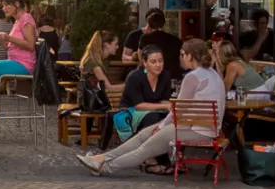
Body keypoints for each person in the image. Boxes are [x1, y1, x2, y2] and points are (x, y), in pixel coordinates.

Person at [80, 40, 225, 176]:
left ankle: (104, 167)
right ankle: (101, 158)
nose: (180, 58)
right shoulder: (213, 74)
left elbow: (179, 108)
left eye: (182, 54)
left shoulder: (192, 77)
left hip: (196, 130)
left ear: (189, 55)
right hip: (200, 127)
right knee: (144, 135)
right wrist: (162, 125)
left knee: (145, 149)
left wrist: (162, 126)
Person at [122, 8, 184, 76]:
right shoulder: (134, 35)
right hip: (171, 76)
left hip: (151, 74)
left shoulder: (145, 38)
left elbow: (142, 60)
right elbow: (124, 56)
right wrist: (132, 58)